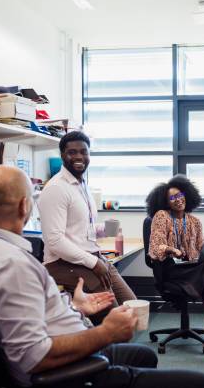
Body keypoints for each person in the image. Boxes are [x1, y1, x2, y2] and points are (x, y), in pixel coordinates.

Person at [0, 166, 204, 388]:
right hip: (66, 381)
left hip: (61, 351)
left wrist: (75, 308)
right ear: (24, 206)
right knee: (201, 386)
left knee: (143, 356)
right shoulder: (10, 265)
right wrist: (107, 332)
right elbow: (33, 357)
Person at [38, 131, 136, 316]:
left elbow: (82, 230)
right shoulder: (56, 188)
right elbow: (55, 241)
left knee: (131, 305)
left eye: (83, 152)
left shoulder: (82, 185)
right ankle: (100, 342)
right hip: (63, 263)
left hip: (91, 257)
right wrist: (93, 263)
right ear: (62, 156)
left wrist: (105, 230)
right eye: (72, 152)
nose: (79, 157)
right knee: (115, 316)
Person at [146, 175, 204, 355]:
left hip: (189, 267)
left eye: (180, 195)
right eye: (172, 197)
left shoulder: (195, 222)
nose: (178, 199)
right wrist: (170, 249)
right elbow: (155, 246)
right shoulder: (162, 216)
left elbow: (200, 249)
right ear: (166, 202)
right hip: (170, 270)